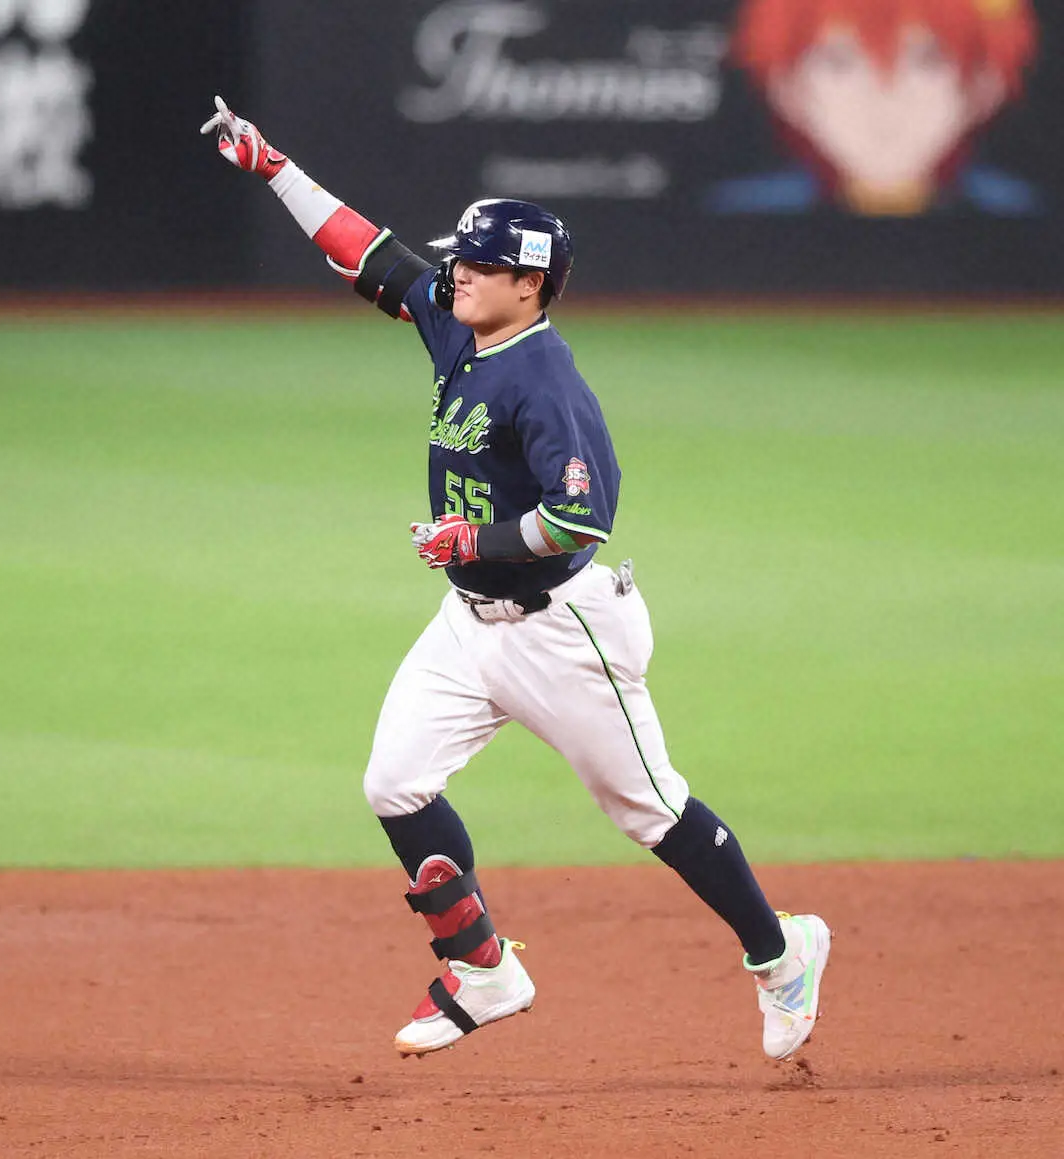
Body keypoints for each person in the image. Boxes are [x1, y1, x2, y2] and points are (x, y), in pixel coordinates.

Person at [200, 96, 830, 1060]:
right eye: (460, 258)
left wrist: (476, 538)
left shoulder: (546, 384)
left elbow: (581, 518)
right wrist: (275, 166)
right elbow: (372, 253)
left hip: (563, 630)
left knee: (651, 811)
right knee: (395, 783)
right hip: (468, 624)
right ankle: (486, 968)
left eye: (480, 264)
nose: (457, 271)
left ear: (530, 286)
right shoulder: (462, 328)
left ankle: (782, 954)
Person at [709, 0, 1040, 216]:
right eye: (839, 63)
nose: (884, 96)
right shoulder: (740, 213)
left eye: (927, 62)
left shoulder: (1018, 211)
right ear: (788, 92)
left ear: (984, 90)